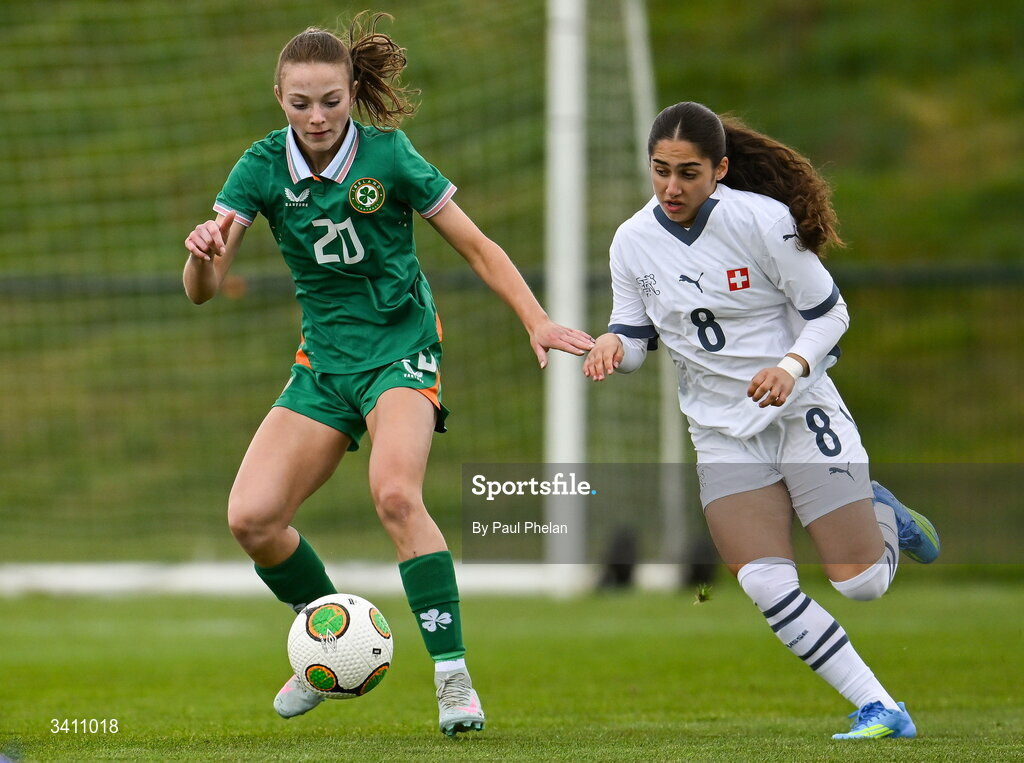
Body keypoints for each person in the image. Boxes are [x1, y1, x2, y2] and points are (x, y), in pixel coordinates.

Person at [183, 14, 594, 737]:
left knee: (396, 493)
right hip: (323, 362)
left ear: (351, 94)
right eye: (301, 102)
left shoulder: (390, 157)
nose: (316, 116)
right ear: (278, 95)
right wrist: (201, 253)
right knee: (251, 517)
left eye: (331, 100)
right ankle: (333, 636)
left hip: (401, 350)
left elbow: (477, 246)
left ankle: (453, 676)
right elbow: (203, 289)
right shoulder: (257, 168)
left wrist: (536, 319)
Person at [583, 101, 940, 740]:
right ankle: (881, 707)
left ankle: (887, 515)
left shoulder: (763, 221)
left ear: (720, 169)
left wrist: (791, 366)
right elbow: (635, 335)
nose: (671, 187)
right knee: (765, 583)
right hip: (719, 431)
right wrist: (615, 347)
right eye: (660, 170)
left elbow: (831, 314)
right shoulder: (632, 240)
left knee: (859, 585)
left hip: (801, 411)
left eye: (688, 172)